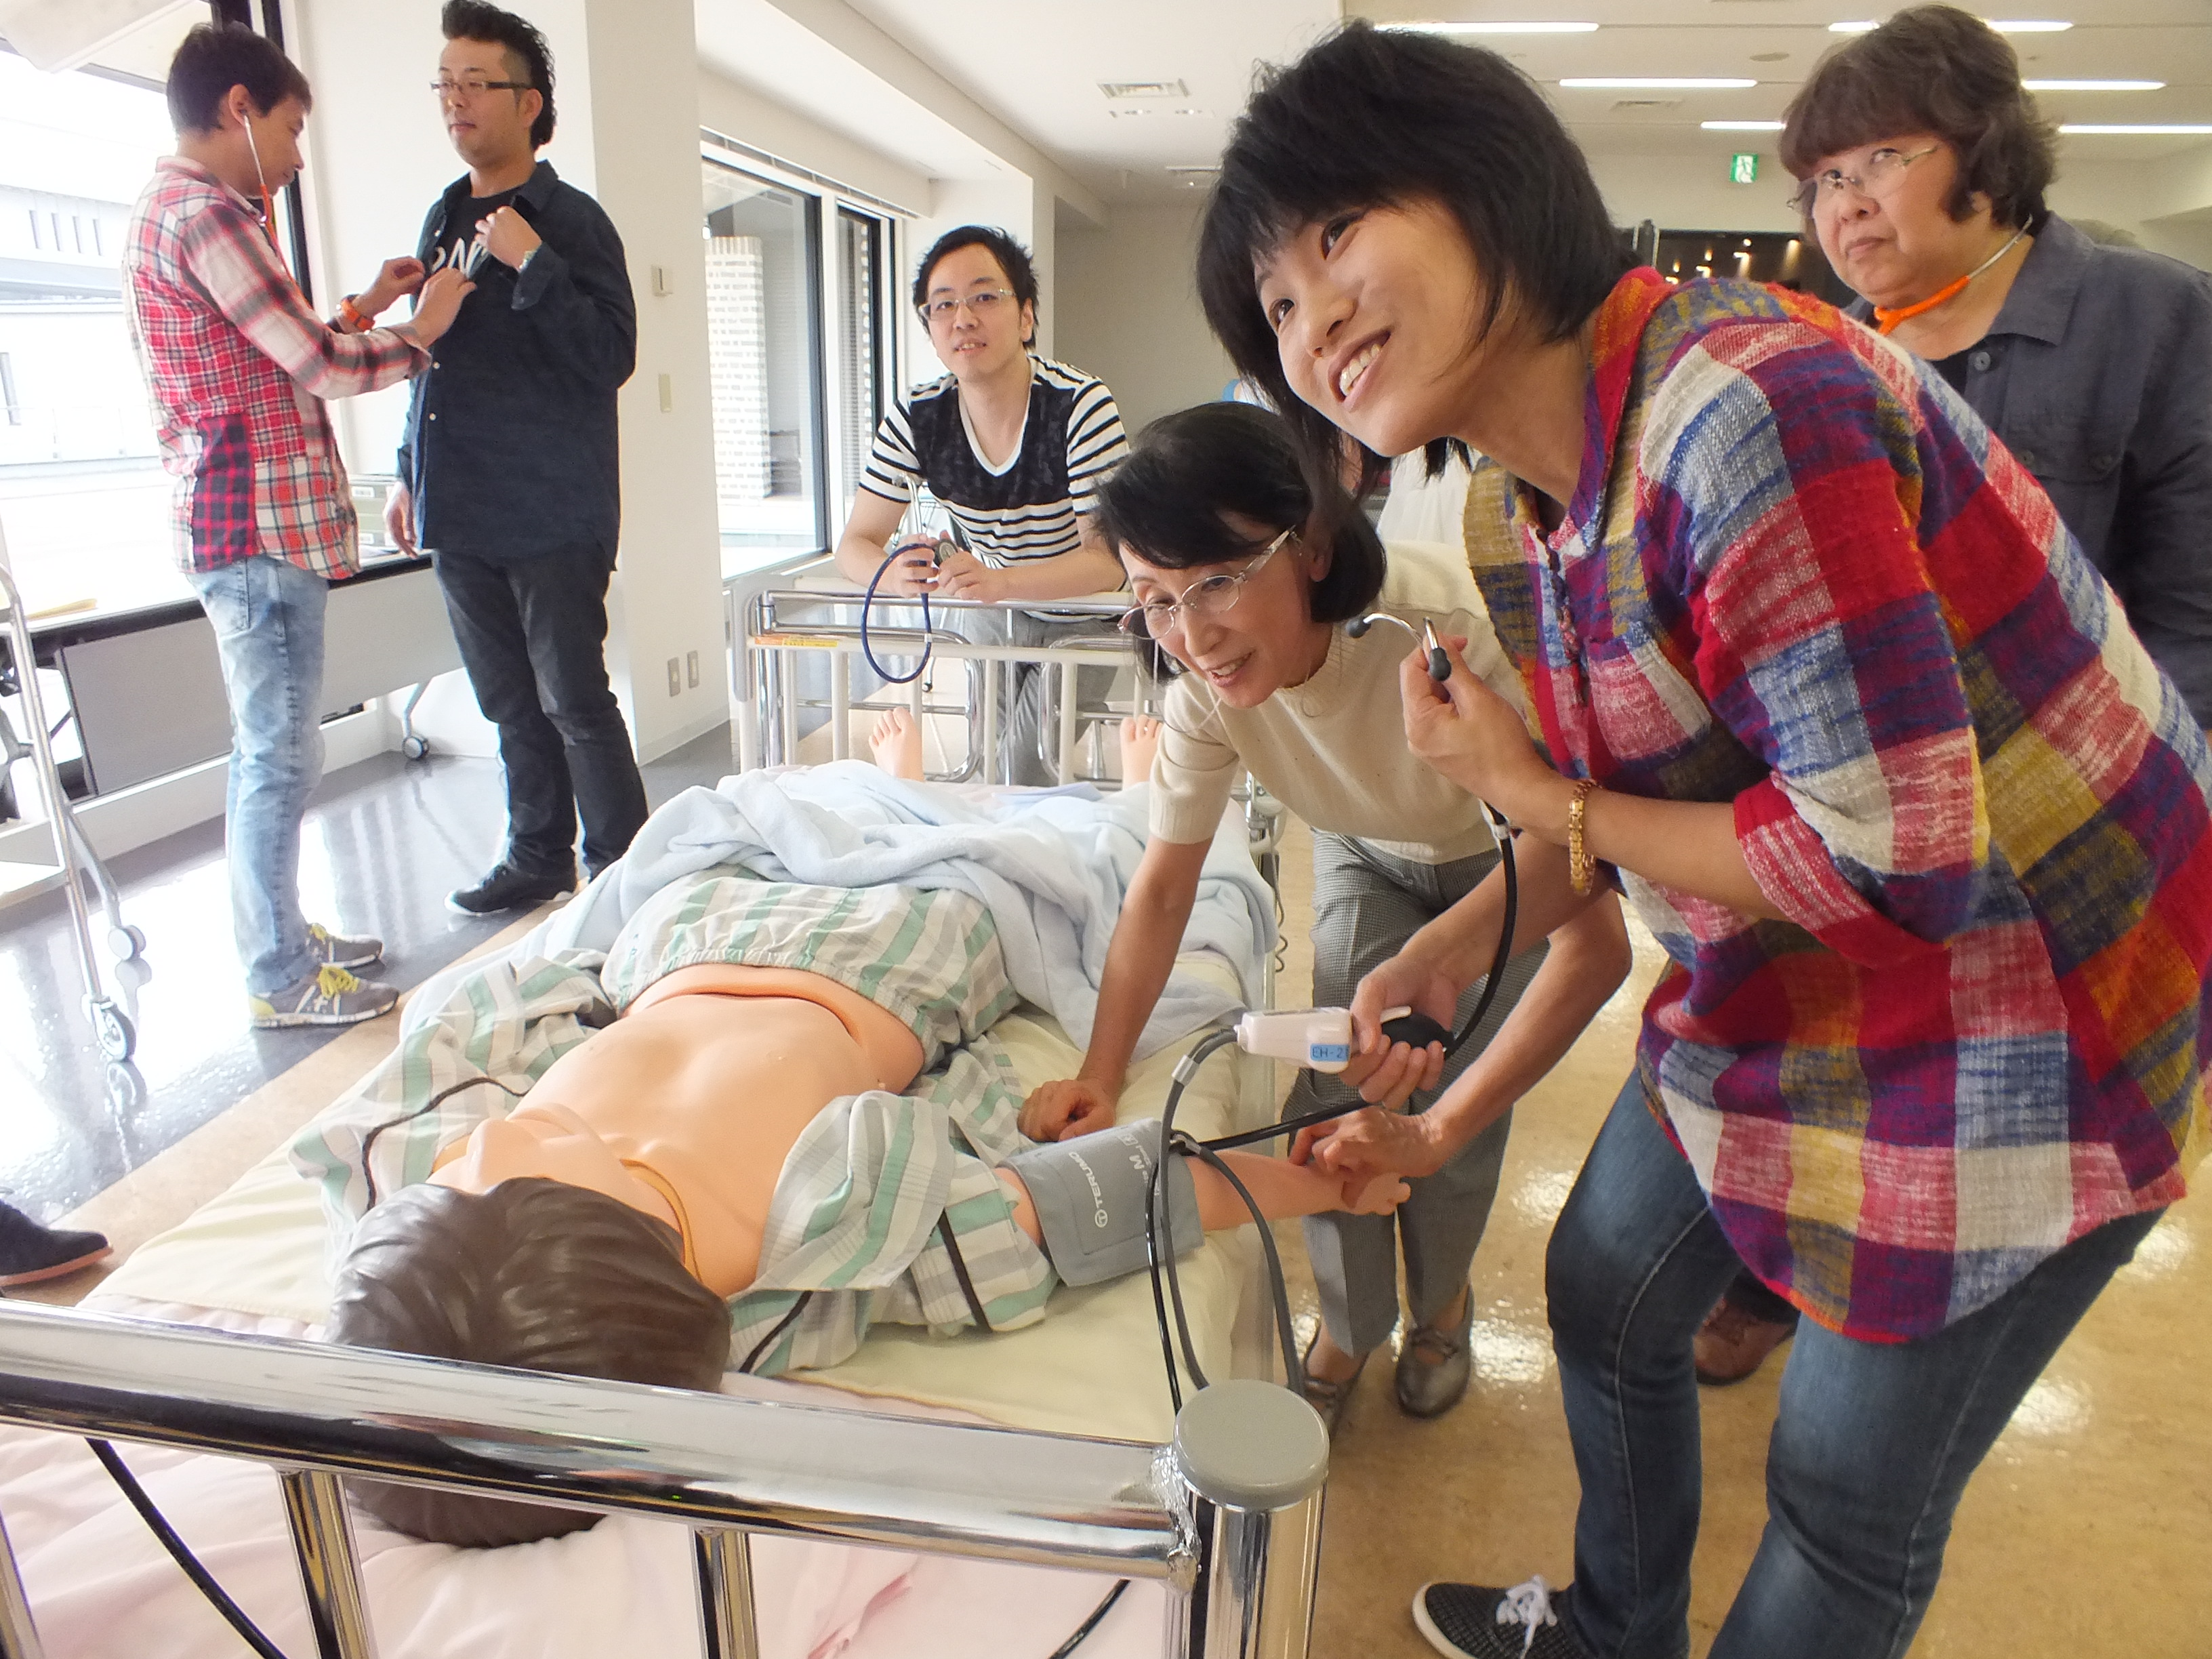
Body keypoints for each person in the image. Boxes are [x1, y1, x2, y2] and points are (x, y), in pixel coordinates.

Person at [1195, 22, 2209, 1659]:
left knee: (1840, 1492)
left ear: (1485, 183)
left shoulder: (1746, 408)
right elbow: (1625, 825)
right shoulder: (1517, 506)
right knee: (1604, 1281)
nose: (1312, 323)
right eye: (1276, 305)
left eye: (1335, 236)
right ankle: (1617, 1627)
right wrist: (1451, 946)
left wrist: (1528, 793)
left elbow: (1890, 858)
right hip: (1802, 961)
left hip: (2032, 989)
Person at [312, 863, 1406, 1548]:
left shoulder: (435, 1230)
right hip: (886, 957)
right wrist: (1323, 1182)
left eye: (459, 1175)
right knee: (991, 859)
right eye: (521, 1169)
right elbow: (1086, 1201)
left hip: (682, 930)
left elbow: (466, 1024)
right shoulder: (810, 1246)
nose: (493, 1137)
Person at [1689, 1, 2212, 1387]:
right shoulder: (1830, 349)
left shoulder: (2149, 315)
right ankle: (1772, 1279)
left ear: (1983, 150)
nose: (1844, 203)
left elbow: (2190, 613)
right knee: (1823, 1069)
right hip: (1876, 819)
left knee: (1991, 1163)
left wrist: (2138, 827)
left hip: (2072, 824)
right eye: (1822, 179)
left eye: (1880, 159)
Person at [1019, 403, 1632, 1431]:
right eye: (1156, 600)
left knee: (1449, 1113)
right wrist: (1099, 1071)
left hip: (1506, 862)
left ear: (1309, 545)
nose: (1194, 635)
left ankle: (1441, 1309)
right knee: (1332, 1100)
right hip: (1365, 851)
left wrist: (1446, 958)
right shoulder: (1202, 688)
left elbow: (1586, 885)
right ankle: (1350, 1326)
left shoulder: (1455, 634)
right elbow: (1163, 888)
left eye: (1219, 579)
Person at [123, 23, 472, 1027]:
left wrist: (365, 306)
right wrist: (422, 333)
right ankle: (279, 975)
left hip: (238, 524)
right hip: (256, 529)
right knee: (278, 756)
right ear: (239, 107)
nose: (296, 157)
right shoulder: (208, 215)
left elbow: (271, 351)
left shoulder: (171, 209)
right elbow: (316, 368)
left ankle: (282, 940)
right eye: (291, 128)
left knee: (270, 752)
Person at [384, 1, 647, 916]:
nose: (454, 100)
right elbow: (432, 352)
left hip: (551, 509)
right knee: (506, 703)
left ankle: (625, 877)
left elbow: (610, 357)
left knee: (574, 699)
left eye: (475, 83)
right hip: (460, 504)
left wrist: (537, 264)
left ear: (529, 104)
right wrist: (407, 469)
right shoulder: (443, 216)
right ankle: (538, 854)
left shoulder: (572, 221)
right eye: (444, 83)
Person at [832, 226, 1128, 785]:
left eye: (985, 297)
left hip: (1085, 612)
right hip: (994, 610)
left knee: (1023, 769)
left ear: (1026, 317)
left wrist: (1001, 582)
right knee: (990, 765)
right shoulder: (919, 417)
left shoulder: (1080, 406)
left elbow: (1108, 562)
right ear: (930, 328)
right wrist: (893, 574)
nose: (963, 318)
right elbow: (854, 545)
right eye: (943, 305)